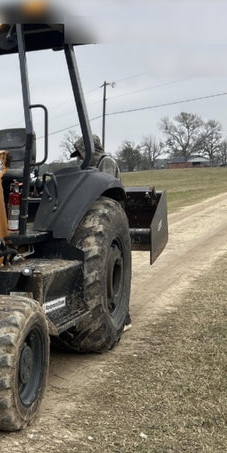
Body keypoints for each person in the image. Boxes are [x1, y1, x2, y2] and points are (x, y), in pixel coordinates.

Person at [72, 135, 132, 331]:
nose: (79, 158)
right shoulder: (86, 166)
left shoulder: (106, 162)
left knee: (108, 271)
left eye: (81, 153)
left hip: (104, 216)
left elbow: (102, 189)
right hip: (91, 215)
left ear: (90, 150)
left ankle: (124, 317)